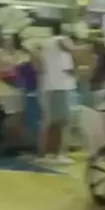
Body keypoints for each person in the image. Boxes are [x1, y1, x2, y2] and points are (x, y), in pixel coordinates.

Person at [38, 22, 76, 165]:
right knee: (61, 121)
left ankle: (50, 153)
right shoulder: (58, 40)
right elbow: (69, 47)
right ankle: (57, 153)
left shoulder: (47, 44)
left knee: (53, 121)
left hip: (52, 86)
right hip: (59, 87)